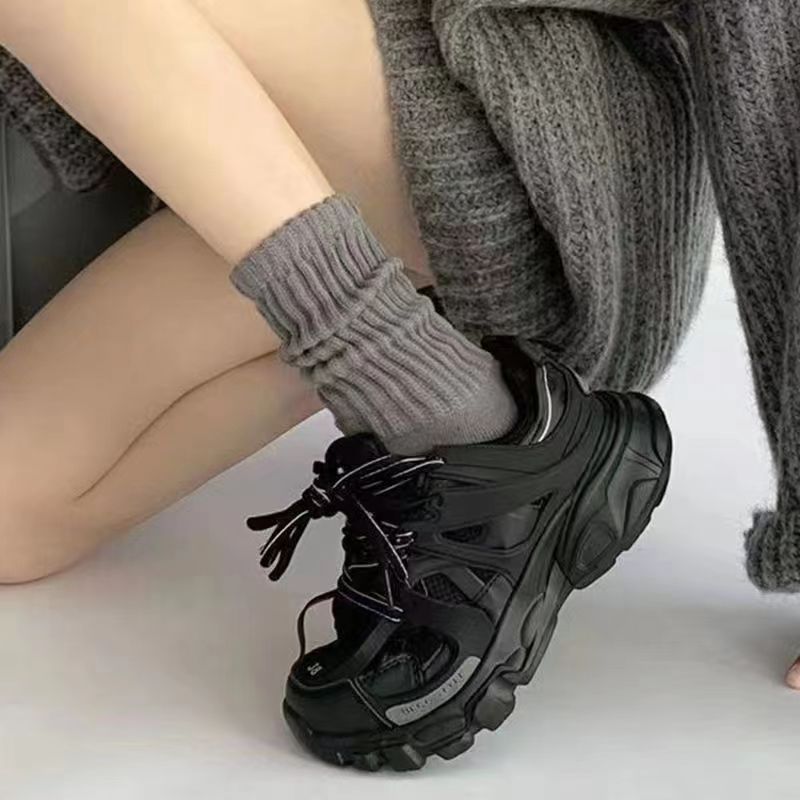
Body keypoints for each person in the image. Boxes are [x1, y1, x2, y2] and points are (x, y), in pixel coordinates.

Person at [0, 0, 796, 771]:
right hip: (285, 156)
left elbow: (773, 42)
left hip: (527, 139)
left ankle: (430, 401)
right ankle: (450, 387)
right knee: (14, 515)